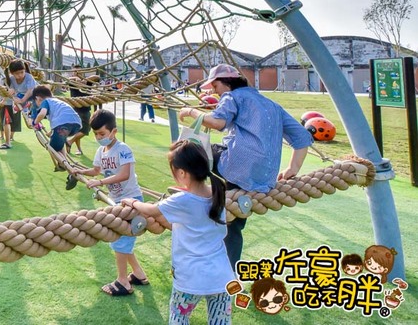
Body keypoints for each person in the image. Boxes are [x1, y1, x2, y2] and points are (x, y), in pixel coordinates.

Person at [178, 63, 312, 268]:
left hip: (237, 165)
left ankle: (195, 192)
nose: (214, 91)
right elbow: (302, 137)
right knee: (233, 221)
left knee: (192, 150)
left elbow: (217, 123)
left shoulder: (232, 97)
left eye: (214, 87)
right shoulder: (273, 105)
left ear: (224, 83)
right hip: (264, 177)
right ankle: (229, 272)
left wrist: (190, 112)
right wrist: (292, 169)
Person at [122, 139, 234, 324]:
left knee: (179, 316)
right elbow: (194, 220)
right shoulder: (218, 190)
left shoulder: (182, 200)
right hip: (222, 276)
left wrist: (132, 202)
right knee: (220, 321)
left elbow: (150, 210)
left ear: (181, 173)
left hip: (191, 278)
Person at [74, 110, 150, 296]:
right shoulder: (102, 150)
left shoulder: (123, 149)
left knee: (120, 243)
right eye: (96, 134)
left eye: (102, 134)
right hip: (116, 203)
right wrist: (80, 172)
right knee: (122, 241)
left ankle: (123, 281)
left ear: (113, 131)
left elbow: (125, 175)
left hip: (131, 202)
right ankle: (139, 275)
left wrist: (100, 182)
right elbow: (96, 170)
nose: (99, 138)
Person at [30, 85, 82, 169]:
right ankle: (65, 163)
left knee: (52, 148)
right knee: (59, 143)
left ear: (38, 98)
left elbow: (42, 114)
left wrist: (35, 122)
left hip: (62, 125)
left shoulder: (45, 102)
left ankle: (65, 165)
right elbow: (60, 115)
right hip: (76, 125)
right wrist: (51, 132)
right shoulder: (56, 101)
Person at [66, 65, 99, 155]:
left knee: (81, 130)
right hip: (77, 109)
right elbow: (69, 79)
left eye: (79, 72)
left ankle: (78, 149)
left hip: (85, 109)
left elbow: (97, 77)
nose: (77, 73)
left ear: (83, 72)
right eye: (75, 72)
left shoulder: (87, 83)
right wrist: (76, 78)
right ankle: (70, 142)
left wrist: (85, 80)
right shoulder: (72, 82)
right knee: (85, 130)